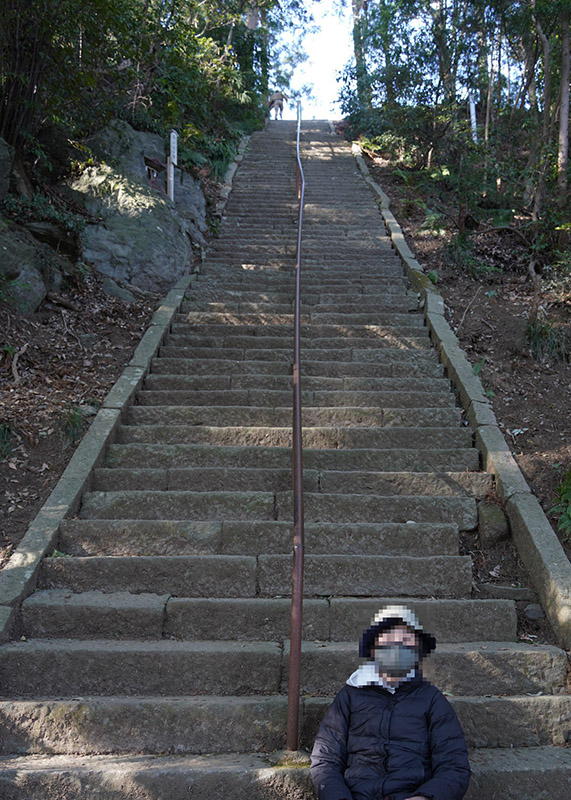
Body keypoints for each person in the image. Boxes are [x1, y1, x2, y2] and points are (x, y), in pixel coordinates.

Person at [310, 605, 471, 800]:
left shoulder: (432, 699)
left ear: (418, 650)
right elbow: (325, 761)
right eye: (389, 637)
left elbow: (454, 766)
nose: (397, 646)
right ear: (373, 648)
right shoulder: (350, 696)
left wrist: (425, 797)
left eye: (405, 639)